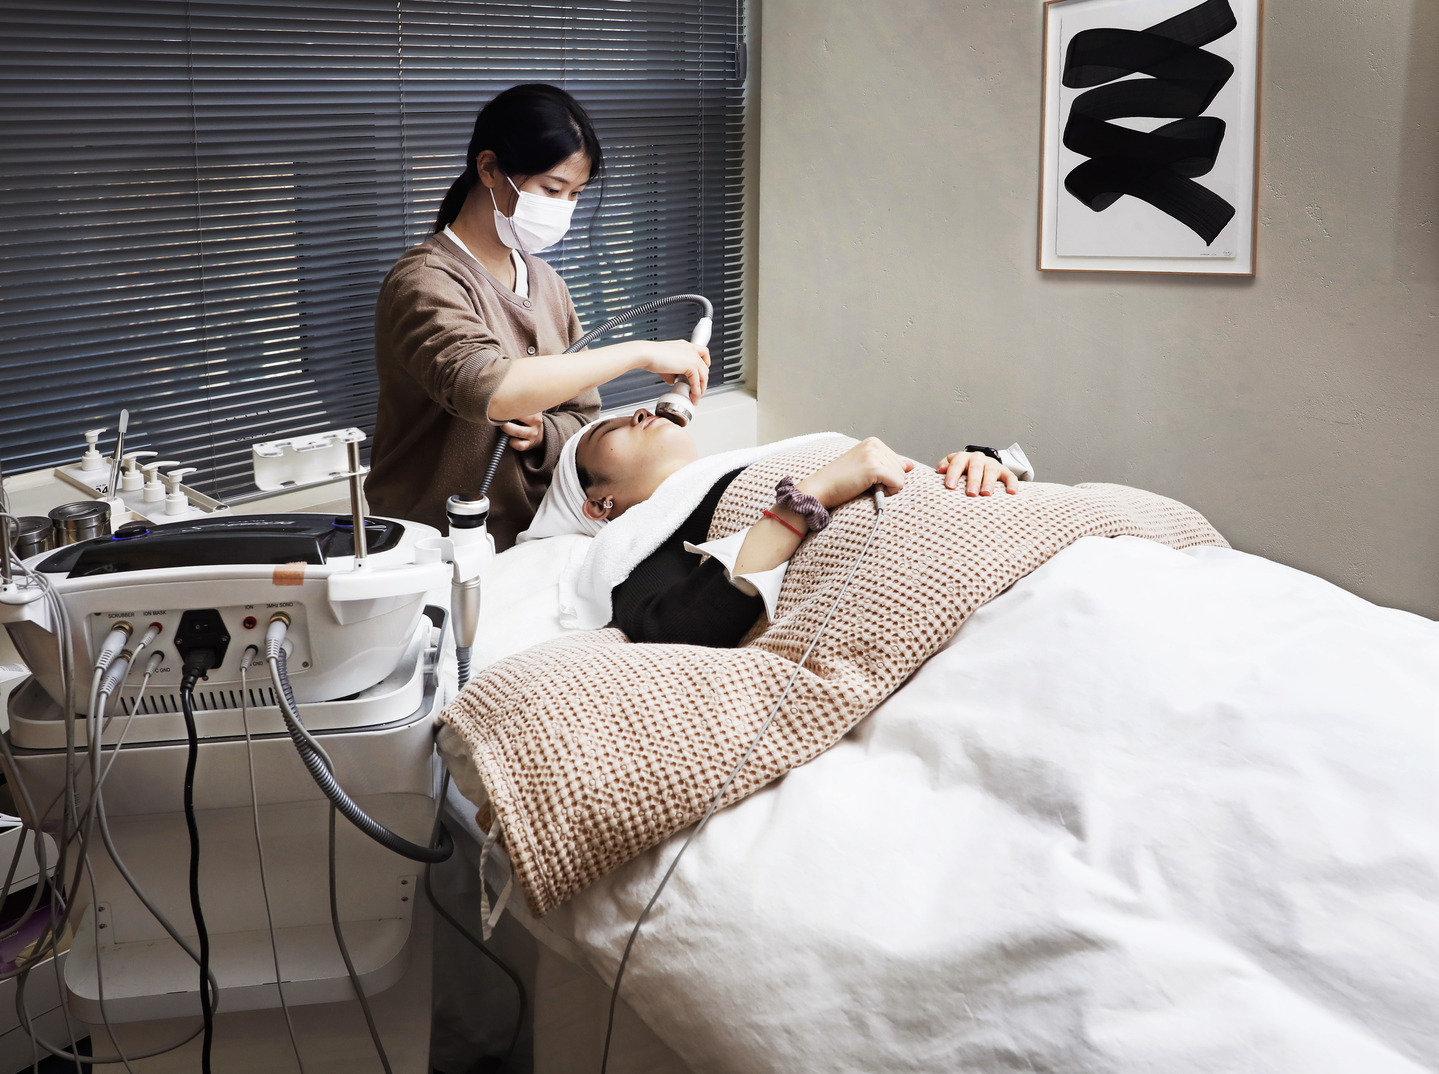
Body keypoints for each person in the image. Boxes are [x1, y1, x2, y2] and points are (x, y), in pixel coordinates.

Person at [365, 84, 712, 548]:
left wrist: (544, 433)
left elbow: (581, 416)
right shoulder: (426, 281)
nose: (563, 209)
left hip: (530, 546)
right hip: (433, 548)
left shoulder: (545, 282)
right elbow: (485, 387)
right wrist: (639, 352)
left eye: (575, 194)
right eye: (552, 189)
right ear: (489, 168)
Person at [519, 407, 1032, 647]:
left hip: (1003, 539)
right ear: (598, 504)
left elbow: (890, 480)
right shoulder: (638, 547)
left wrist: (977, 464)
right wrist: (807, 500)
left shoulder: (751, 466)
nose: (641, 411)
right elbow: (668, 629)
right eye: (610, 427)